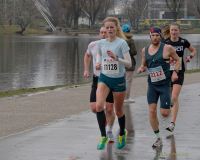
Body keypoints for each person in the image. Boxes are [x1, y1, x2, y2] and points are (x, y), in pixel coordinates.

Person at [137, 27, 180, 149]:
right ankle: (158, 138)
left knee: (165, 113)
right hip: (152, 85)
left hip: (164, 85)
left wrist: (175, 72)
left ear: (160, 36)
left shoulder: (168, 48)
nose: (155, 37)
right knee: (151, 111)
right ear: (149, 36)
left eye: (157, 35)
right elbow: (144, 64)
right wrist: (141, 68)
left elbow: (177, 60)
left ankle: (170, 101)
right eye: (153, 35)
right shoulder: (144, 50)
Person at [95, 17, 132, 150]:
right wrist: (98, 63)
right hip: (104, 78)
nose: (109, 29)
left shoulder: (121, 43)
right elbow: (99, 55)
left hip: (118, 81)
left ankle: (122, 133)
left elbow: (129, 63)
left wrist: (117, 58)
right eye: (107, 27)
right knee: (99, 106)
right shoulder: (101, 43)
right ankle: (103, 136)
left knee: (118, 110)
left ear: (116, 28)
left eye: (112, 27)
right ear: (104, 29)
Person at [83, 27, 116, 142]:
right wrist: (86, 69)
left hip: (110, 79)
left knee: (110, 109)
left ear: (109, 33)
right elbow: (87, 55)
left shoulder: (114, 45)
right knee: (94, 108)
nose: (103, 34)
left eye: (105, 33)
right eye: (101, 32)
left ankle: (109, 131)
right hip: (97, 79)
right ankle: (105, 121)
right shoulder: (93, 45)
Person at [163, 23, 196, 132]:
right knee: (170, 96)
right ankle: (169, 110)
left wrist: (190, 56)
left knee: (174, 97)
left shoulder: (183, 42)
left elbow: (193, 50)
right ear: (170, 31)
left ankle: (172, 123)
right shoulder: (165, 42)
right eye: (172, 30)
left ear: (179, 31)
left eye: (176, 30)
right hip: (168, 72)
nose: (174, 32)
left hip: (179, 71)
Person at [122, 24, 137, 103]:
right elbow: (134, 52)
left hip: (121, 62)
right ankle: (126, 98)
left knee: (122, 80)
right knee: (128, 81)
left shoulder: (119, 39)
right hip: (129, 63)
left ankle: (120, 97)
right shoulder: (130, 40)